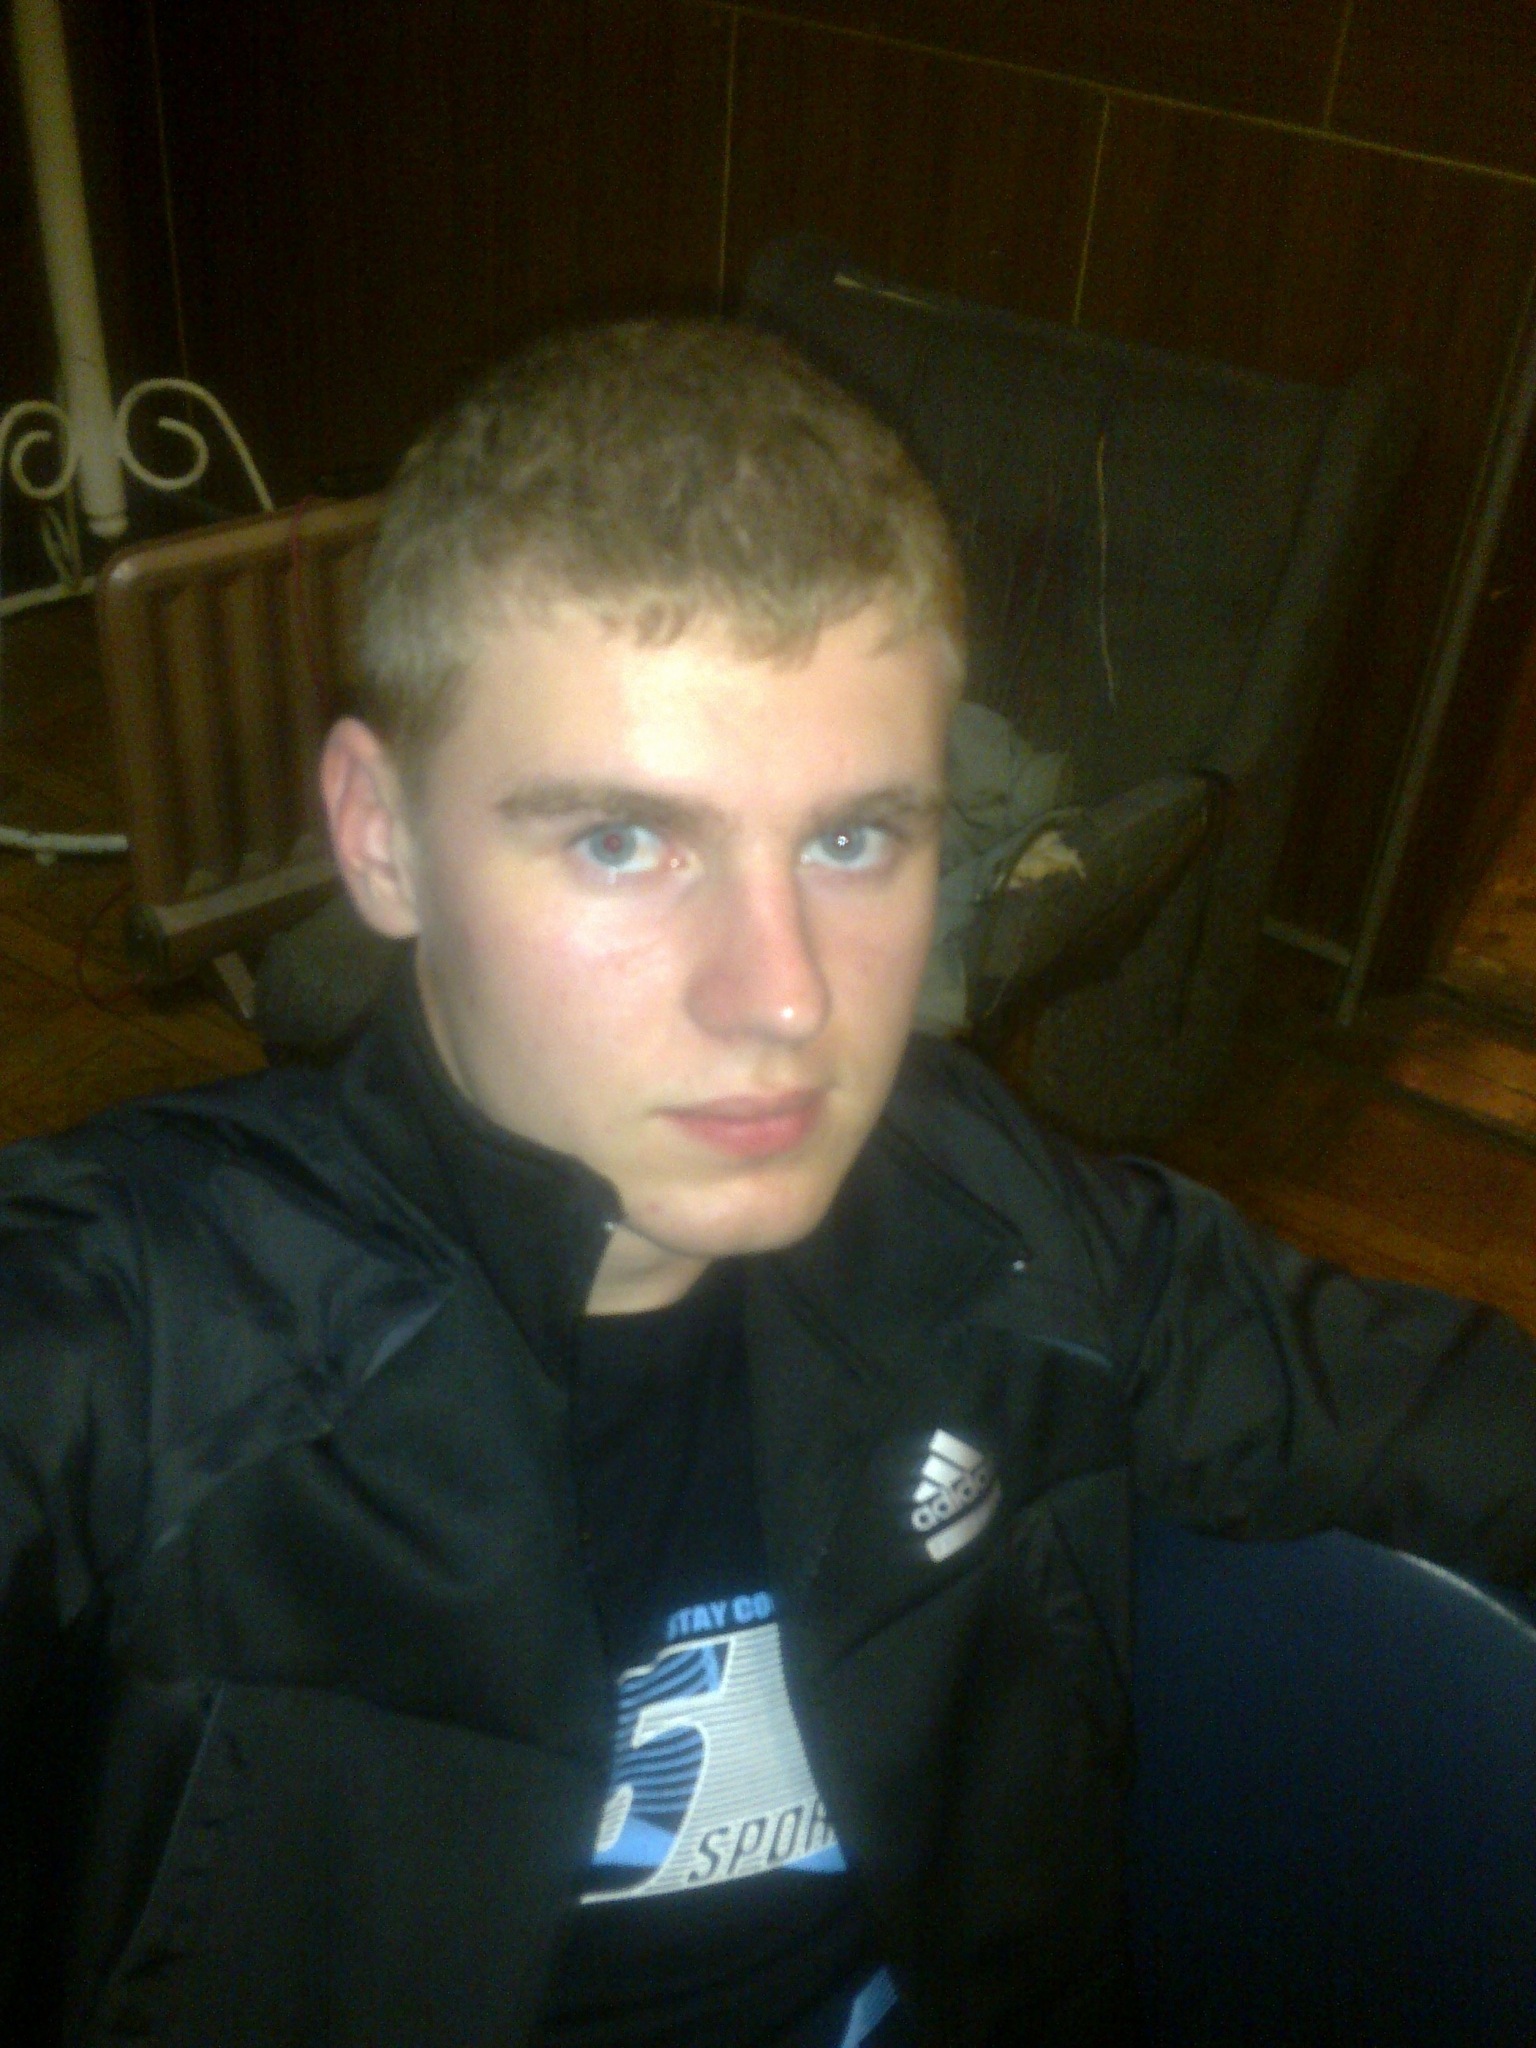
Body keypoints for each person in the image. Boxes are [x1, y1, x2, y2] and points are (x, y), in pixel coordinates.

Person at [1, 321, 1533, 2048]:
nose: (785, 997)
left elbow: (1442, 1418)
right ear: (381, 835)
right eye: (622, 841)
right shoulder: (134, 1330)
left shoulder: (998, 1220)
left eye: (853, 840)